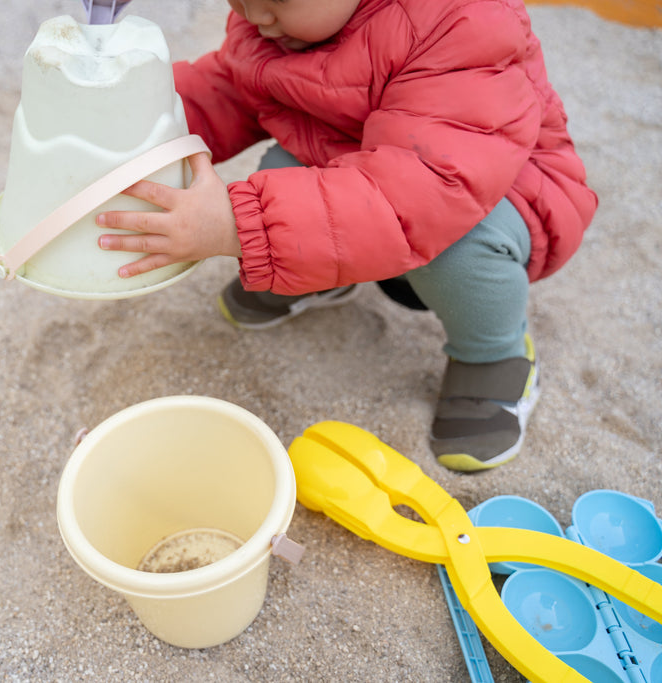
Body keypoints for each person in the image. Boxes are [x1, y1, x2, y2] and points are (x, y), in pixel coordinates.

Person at [94, 0, 597, 472]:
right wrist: (151, 123)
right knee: (278, 167)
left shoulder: (462, 23)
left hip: (494, 199)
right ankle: (321, 278)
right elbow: (232, 88)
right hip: (366, 165)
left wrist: (235, 226)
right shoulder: (280, 21)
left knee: (458, 252)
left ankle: (495, 356)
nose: (256, 15)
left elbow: (420, 193)